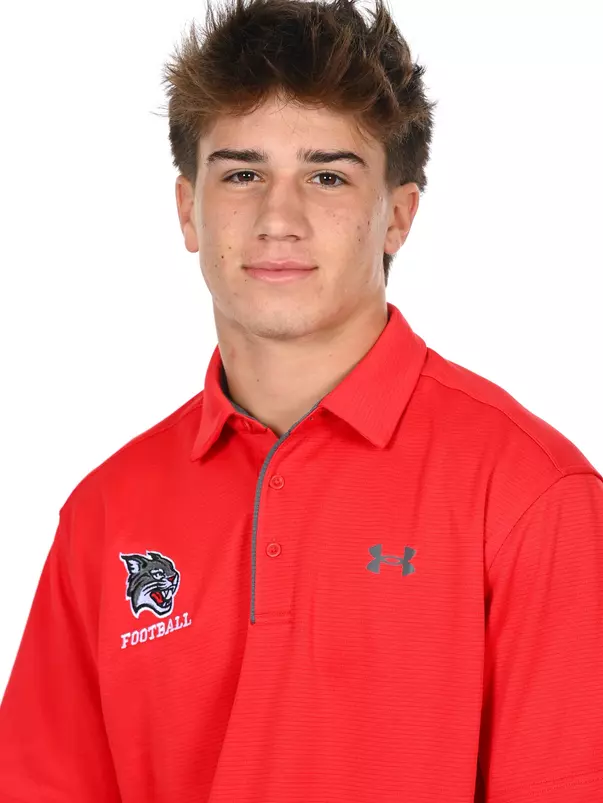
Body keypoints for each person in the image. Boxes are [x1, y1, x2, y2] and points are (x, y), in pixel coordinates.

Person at [1, 0, 602, 800]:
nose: (277, 219)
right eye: (242, 173)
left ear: (397, 215)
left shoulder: (531, 496)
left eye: (327, 175)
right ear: (188, 209)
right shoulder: (105, 513)